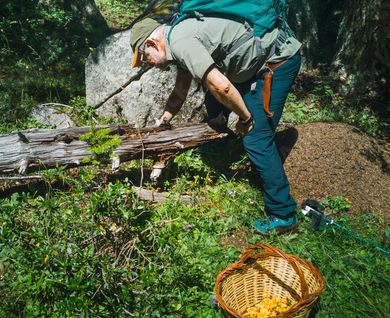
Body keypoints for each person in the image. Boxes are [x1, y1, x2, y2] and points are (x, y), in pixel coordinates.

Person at [129, 16, 302, 235]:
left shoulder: (182, 44)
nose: (147, 64)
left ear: (153, 44)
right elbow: (180, 91)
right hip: (249, 64)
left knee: (256, 137)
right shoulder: (175, 43)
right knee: (213, 99)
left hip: (277, 60)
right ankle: (221, 146)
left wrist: (246, 119)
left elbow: (224, 87)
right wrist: (163, 122)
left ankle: (284, 215)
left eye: (145, 58)